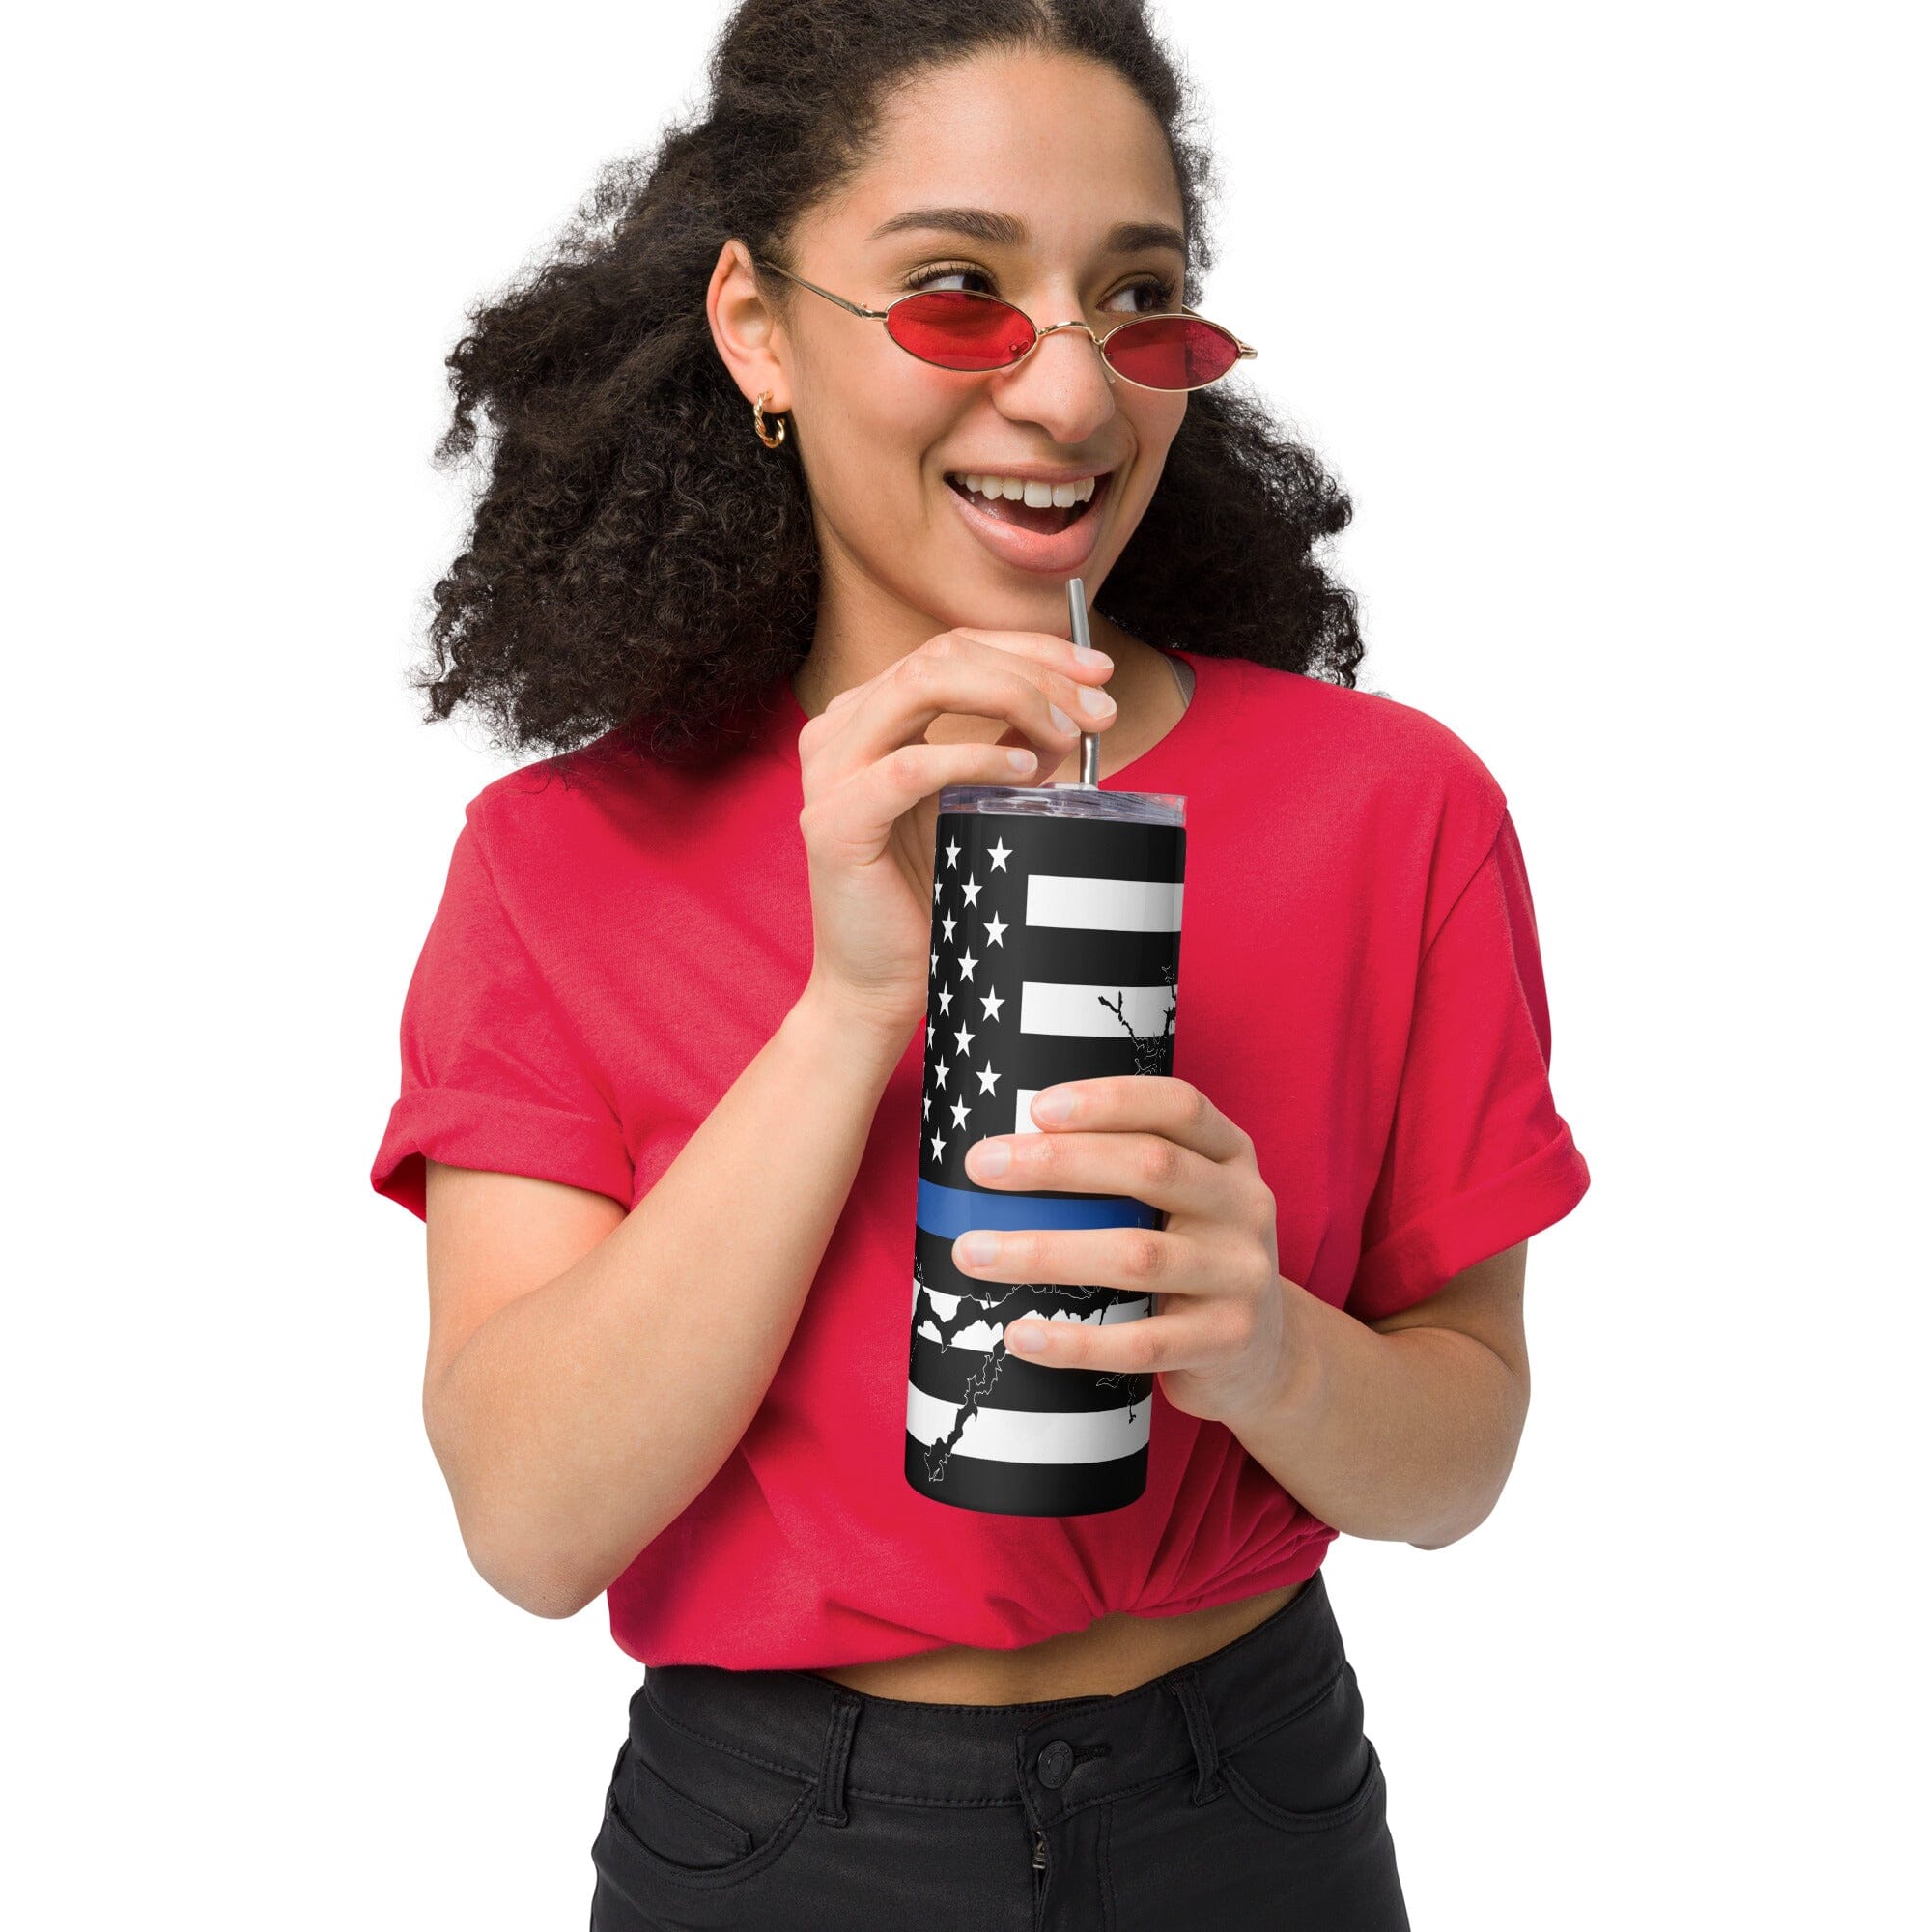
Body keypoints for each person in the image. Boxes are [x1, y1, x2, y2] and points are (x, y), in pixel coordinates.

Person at [368, 2, 1592, 1924]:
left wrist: (1272, 1348)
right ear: (758, 328)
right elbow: (529, 1526)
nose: (1073, 399)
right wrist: (855, 1003)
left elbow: (1461, 1459)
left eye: (1138, 300)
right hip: (780, 1835)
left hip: (1253, 1799)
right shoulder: (558, 863)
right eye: (958, 295)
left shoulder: (1393, 808)